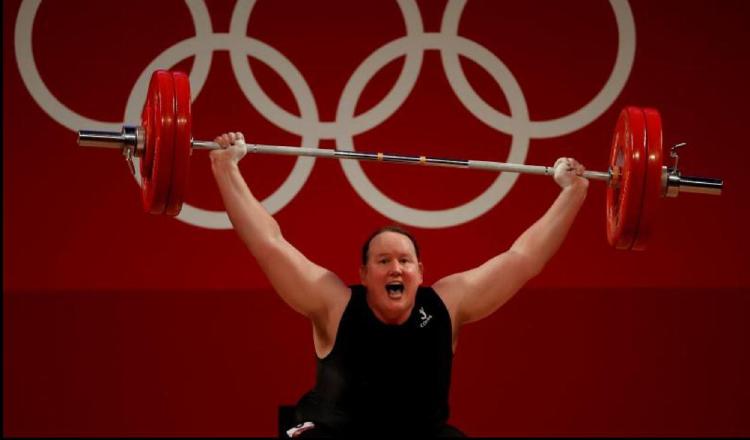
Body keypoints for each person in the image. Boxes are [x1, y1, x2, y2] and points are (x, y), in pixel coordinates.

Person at [210, 132, 589, 438]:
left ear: (420, 273)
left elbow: (522, 260)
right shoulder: (335, 304)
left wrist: (573, 193)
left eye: (404, 261)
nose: (395, 269)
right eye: (383, 261)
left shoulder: (447, 306)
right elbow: (268, 244)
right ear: (362, 275)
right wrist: (226, 168)